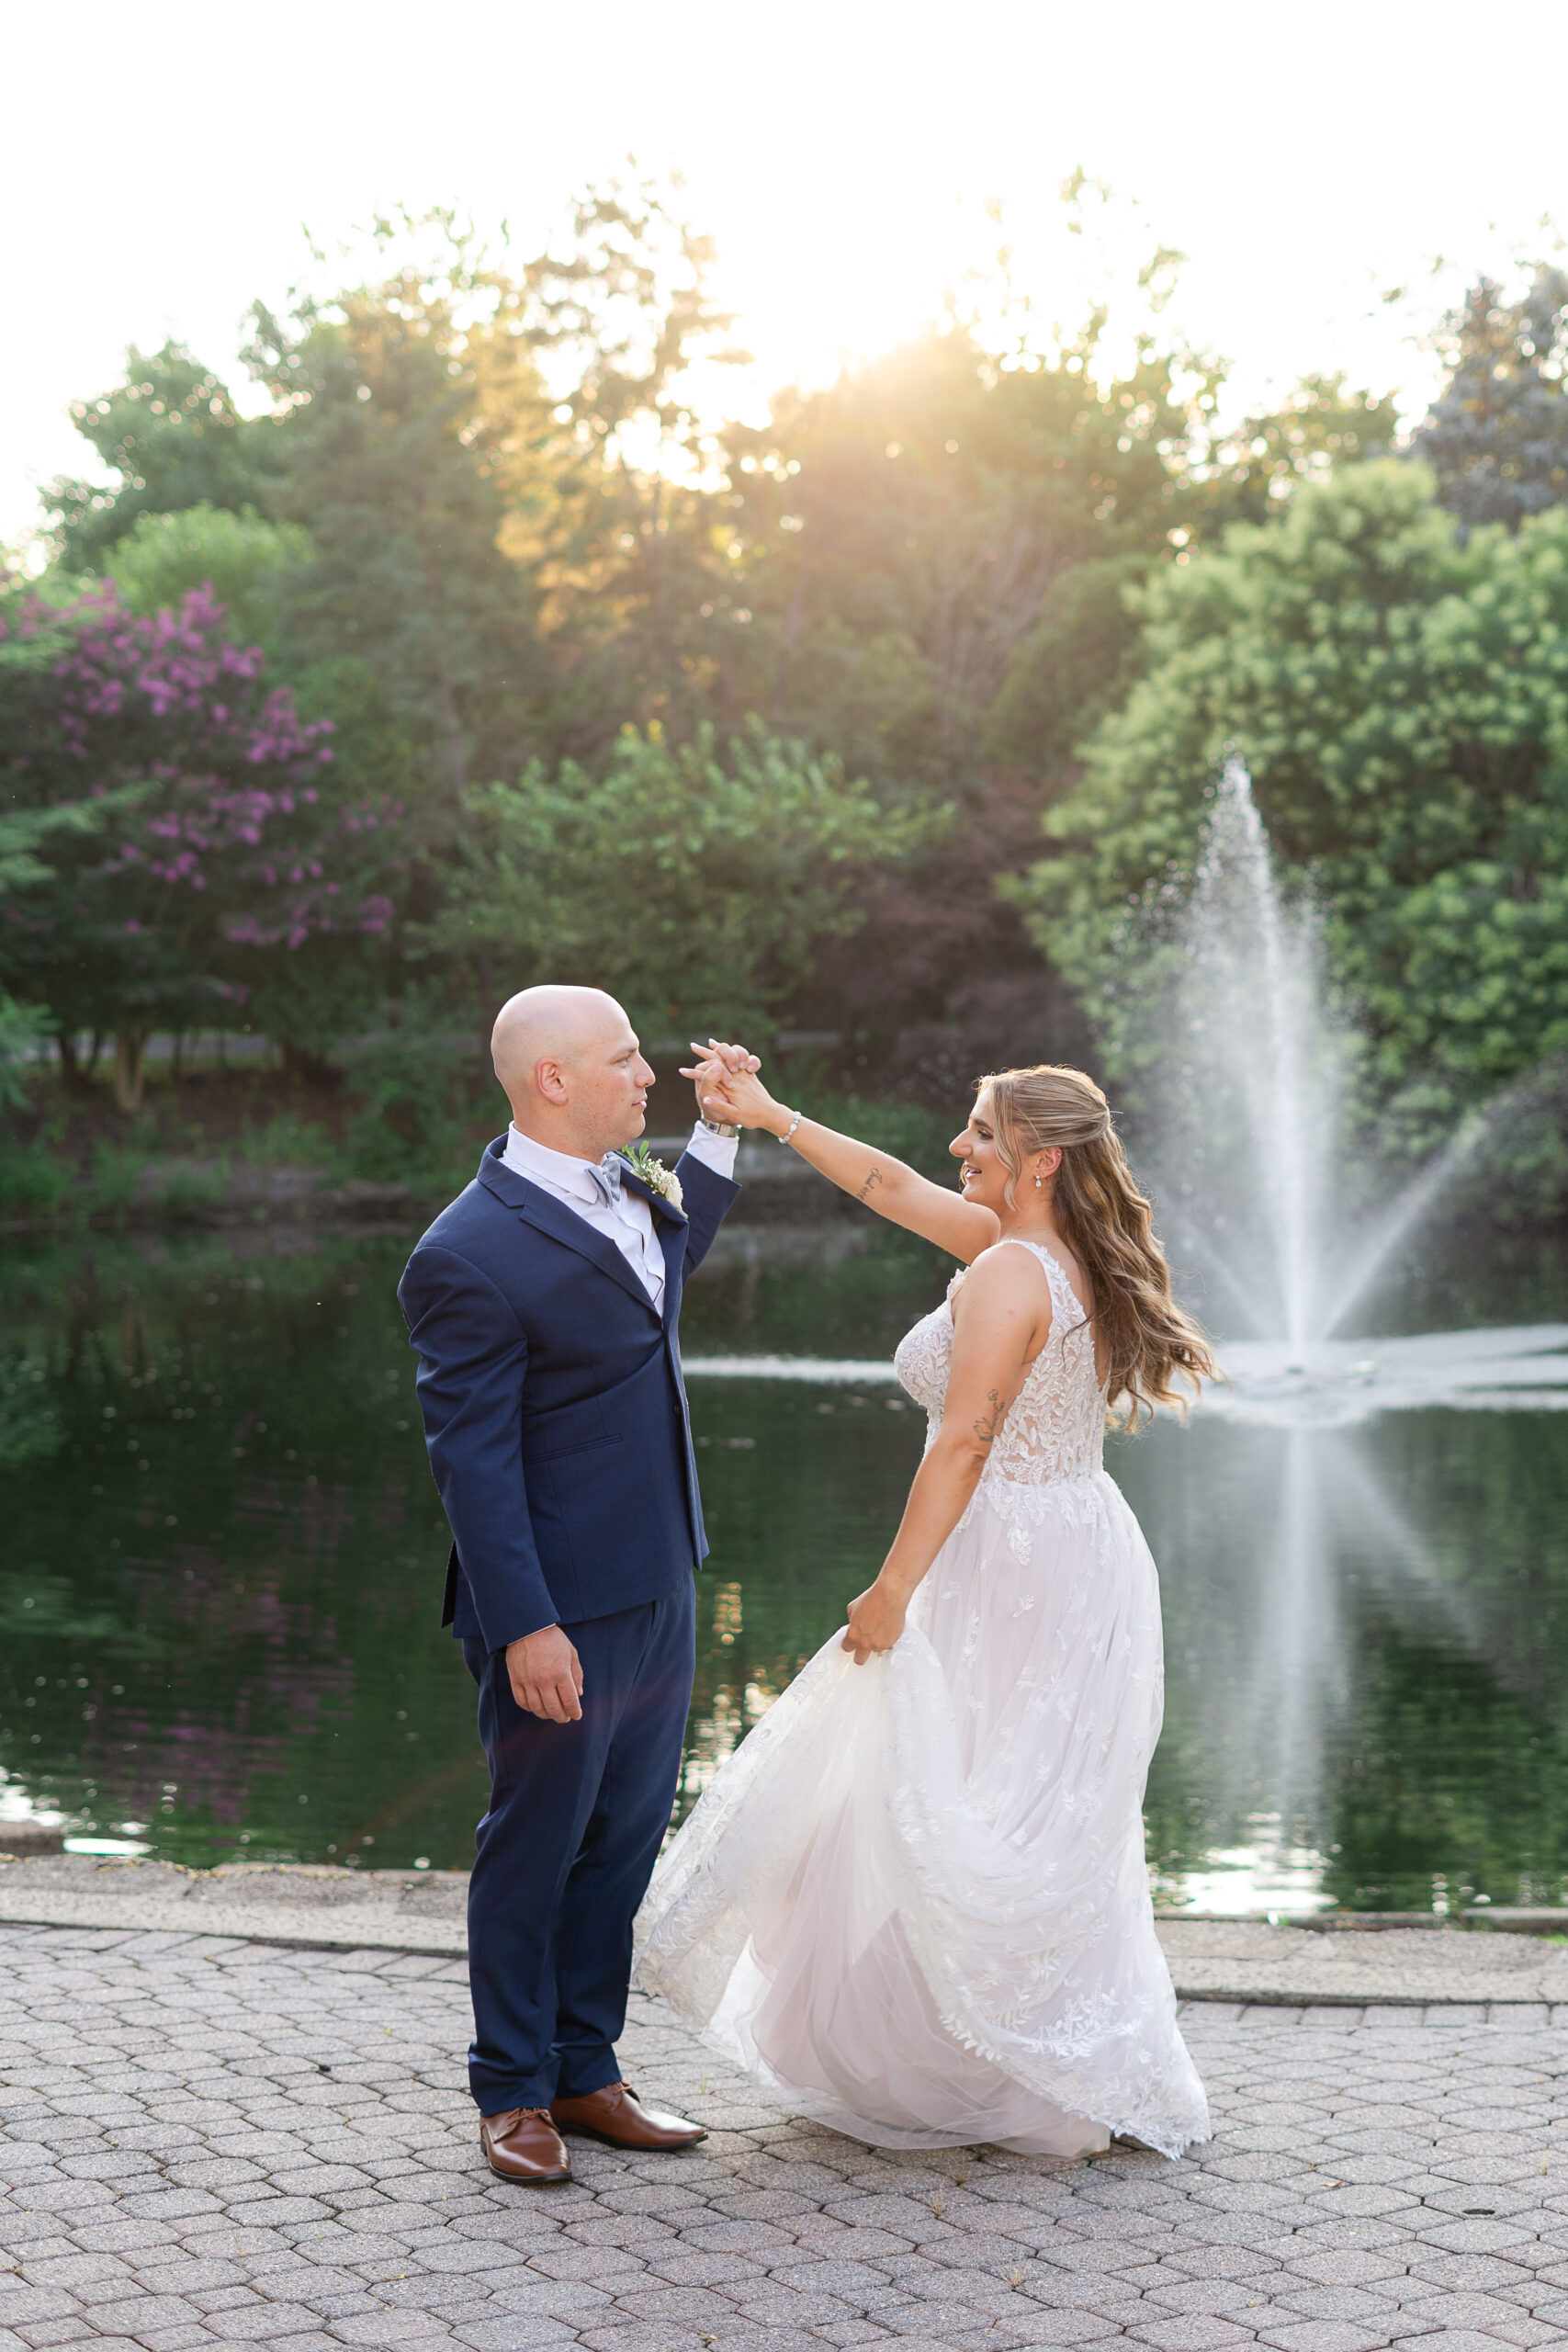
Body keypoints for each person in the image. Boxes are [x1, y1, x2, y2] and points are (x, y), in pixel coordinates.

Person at [636, 1058, 1218, 2159]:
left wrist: (892, 1588)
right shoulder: (1052, 1254)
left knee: (967, 1805)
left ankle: (1009, 2065)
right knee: (1021, 1808)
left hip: (1011, 1560)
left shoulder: (1009, 1276)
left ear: (1041, 1159)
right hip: (1070, 1543)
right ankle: (1044, 2058)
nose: (961, 1147)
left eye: (982, 1133)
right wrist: (768, 1117)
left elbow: (964, 1440)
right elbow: (893, 1186)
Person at [398, 986, 756, 2187]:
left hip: (660, 1573)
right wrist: (526, 1626)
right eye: (624, 1059)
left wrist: (717, 1134)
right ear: (552, 1078)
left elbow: (665, 1268)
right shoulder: (464, 1253)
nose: (646, 1072)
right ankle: (510, 2090)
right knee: (535, 1844)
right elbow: (474, 1465)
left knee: (621, 1843)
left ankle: (584, 2068)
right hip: (557, 1606)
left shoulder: (631, 1188)